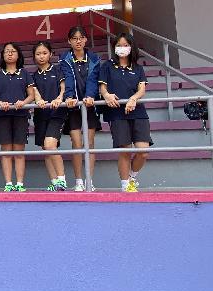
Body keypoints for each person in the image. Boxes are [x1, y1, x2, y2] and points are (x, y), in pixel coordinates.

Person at [99, 33, 152, 192]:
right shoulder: (107, 66)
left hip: (138, 112)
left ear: (131, 47)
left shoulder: (138, 68)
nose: (122, 48)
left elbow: (142, 90)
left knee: (143, 151)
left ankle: (132, 177)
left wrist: (133, 99)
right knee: (125, 150)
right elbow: (103, 88)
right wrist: (107, 95)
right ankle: (125, 185)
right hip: (116, 113)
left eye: (125, 45)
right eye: (119, 45)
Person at [0, 42, 35, 191]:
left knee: (19, 151)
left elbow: (31, 95)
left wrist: (23, 102)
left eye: (13, 51)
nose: (10, 54)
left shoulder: (25, 74)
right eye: (7, 51)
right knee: (6, 150)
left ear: (18, 55)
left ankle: (20, 184)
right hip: (3, 116)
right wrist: (0, 103)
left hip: (21, 115)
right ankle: (8, 183)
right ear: (2, 55)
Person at [60, 26, 101, 191]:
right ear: (69, 41)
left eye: (81, 38)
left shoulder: (94, 59)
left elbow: (93, 80)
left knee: (89, 144)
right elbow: (68, 79)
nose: (78, 41)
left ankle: (89, 180)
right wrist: (69, 96)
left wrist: (90, 96)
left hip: (90, 106)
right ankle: (78, 181)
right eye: (74, 38)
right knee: (77, 144)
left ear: (85, 39)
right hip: (73, 107)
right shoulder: (65, 59)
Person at [32, 41, 67, 191]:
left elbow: (63, 88)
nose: (41, 56)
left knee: (50, 145)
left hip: (56, 114)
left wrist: (59, 98)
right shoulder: (33, 76)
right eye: (38, 54)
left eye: (44, 53)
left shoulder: (58, 70)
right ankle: (54, 183)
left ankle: (62, 180)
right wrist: (38, 99)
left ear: (51, 54)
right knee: (45, 149)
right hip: (40, 115)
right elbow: (34, 92)